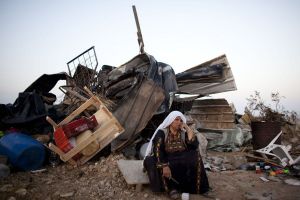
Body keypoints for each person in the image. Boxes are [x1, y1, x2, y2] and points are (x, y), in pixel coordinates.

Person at [144, 111, 209, 199]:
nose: (179, 122)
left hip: (180, 156)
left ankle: (195, 188)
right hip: (166, 157)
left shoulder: (182, 132)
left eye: (181, 120)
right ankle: (170, 189)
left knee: (195, 155)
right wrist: (164, 166)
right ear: (171, 121)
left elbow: (194, 145)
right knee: (151, 161)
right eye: (176, 120)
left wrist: (186, 127)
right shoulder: (162, 133)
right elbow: (158, 150)